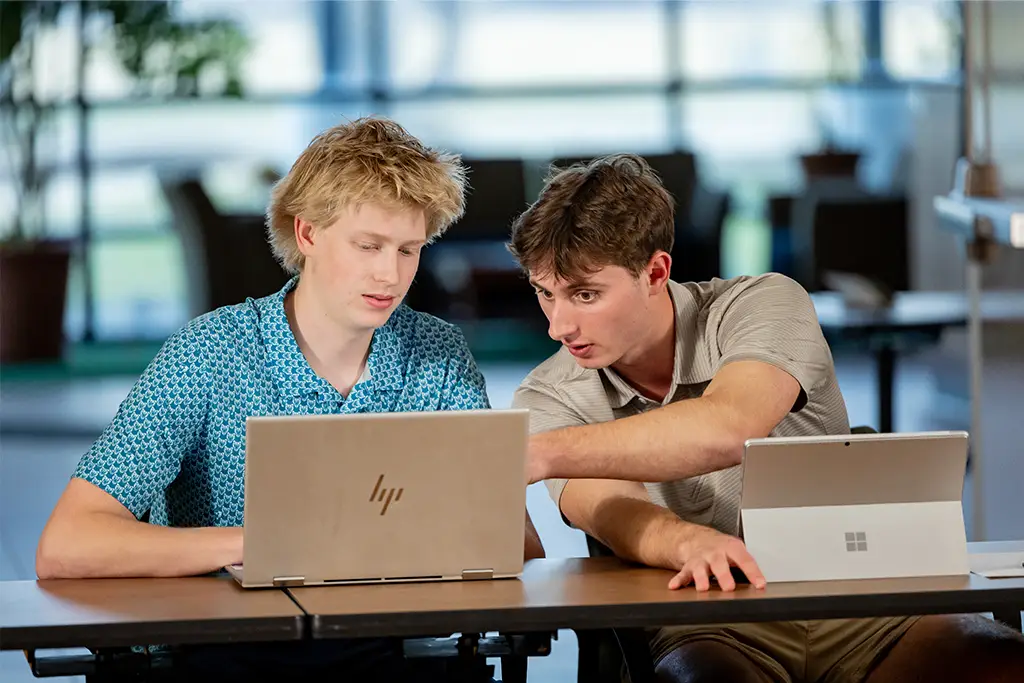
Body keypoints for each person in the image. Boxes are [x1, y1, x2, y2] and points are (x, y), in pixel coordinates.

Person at [36, 116, 543, 679]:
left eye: (408, 250)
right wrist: (253, 546)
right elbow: (68, 542)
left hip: (390, 653)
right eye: (368, 246)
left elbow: (515, 538)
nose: (390, 274)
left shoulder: (438, 354)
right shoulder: (210, 352)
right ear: (307, 234)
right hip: (224, 657)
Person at [509, 154, 1024, 683]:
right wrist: (688, 542)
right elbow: (611, 511)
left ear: (656, 273)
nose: (558, 326)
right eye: (544, 293)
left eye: (585, 295)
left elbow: (729, 427)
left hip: (864, 606)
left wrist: (542, 452)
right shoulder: (548, 394)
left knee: (999, 660)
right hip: (707, 617)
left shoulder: (764, 304)